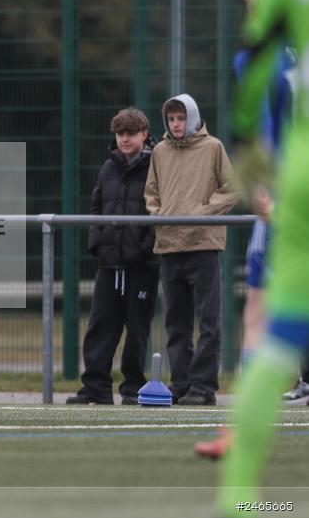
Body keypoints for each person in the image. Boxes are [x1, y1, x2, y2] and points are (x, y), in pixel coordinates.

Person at [215, 0, 309, 518]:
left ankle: (240, 499)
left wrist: (256, 176)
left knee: (277, 328)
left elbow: (252, 59)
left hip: (298, 172)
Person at [144, 93, 237, 406]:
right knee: (176, 323)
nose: (176, 124)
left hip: (203, 244)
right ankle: (181, 384)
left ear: (193, 118)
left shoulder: (213, 147)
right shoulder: (159, 151)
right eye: (171, 119)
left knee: (208, 322)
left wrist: (204, 212)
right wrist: (159, 217)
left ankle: (203, 387)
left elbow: (232, 189)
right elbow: (151, 194)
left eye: (181, 118)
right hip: (169, 246)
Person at [67, 107, 159, 405]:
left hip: (142, 265)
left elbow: (160, 209)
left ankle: (133, 388)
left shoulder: (156, 166)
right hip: (109, 263)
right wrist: (98, 241)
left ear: (144, 134)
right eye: (120, 134)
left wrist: (146, 247)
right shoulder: (108, 167)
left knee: (137, 330)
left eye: (130, 134)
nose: (124, 140)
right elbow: (97, 206)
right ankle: (95, 387)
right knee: (100, 326)